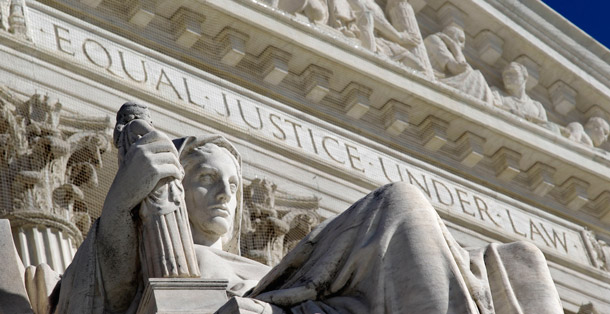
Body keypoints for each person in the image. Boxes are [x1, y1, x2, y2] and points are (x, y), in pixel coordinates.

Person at [49, 103, 564, 313]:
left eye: (232, 182)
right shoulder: (145, 251)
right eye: (205, 179)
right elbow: (85, 305)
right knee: (399, 204)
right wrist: (122, 203)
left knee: (522, 263)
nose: (226, 194)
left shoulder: (262, 265)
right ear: (176, 191)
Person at [425, 26, 494, 104]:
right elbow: (457, 68)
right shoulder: (434, 39)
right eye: (461, 40)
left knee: (476, 77)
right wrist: (455, 47)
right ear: (449, 35)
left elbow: (462, 68)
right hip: (435, 77)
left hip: (442, 78)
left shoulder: (449, 50)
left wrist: (454, 48)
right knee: (477, 76)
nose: (463, 46)